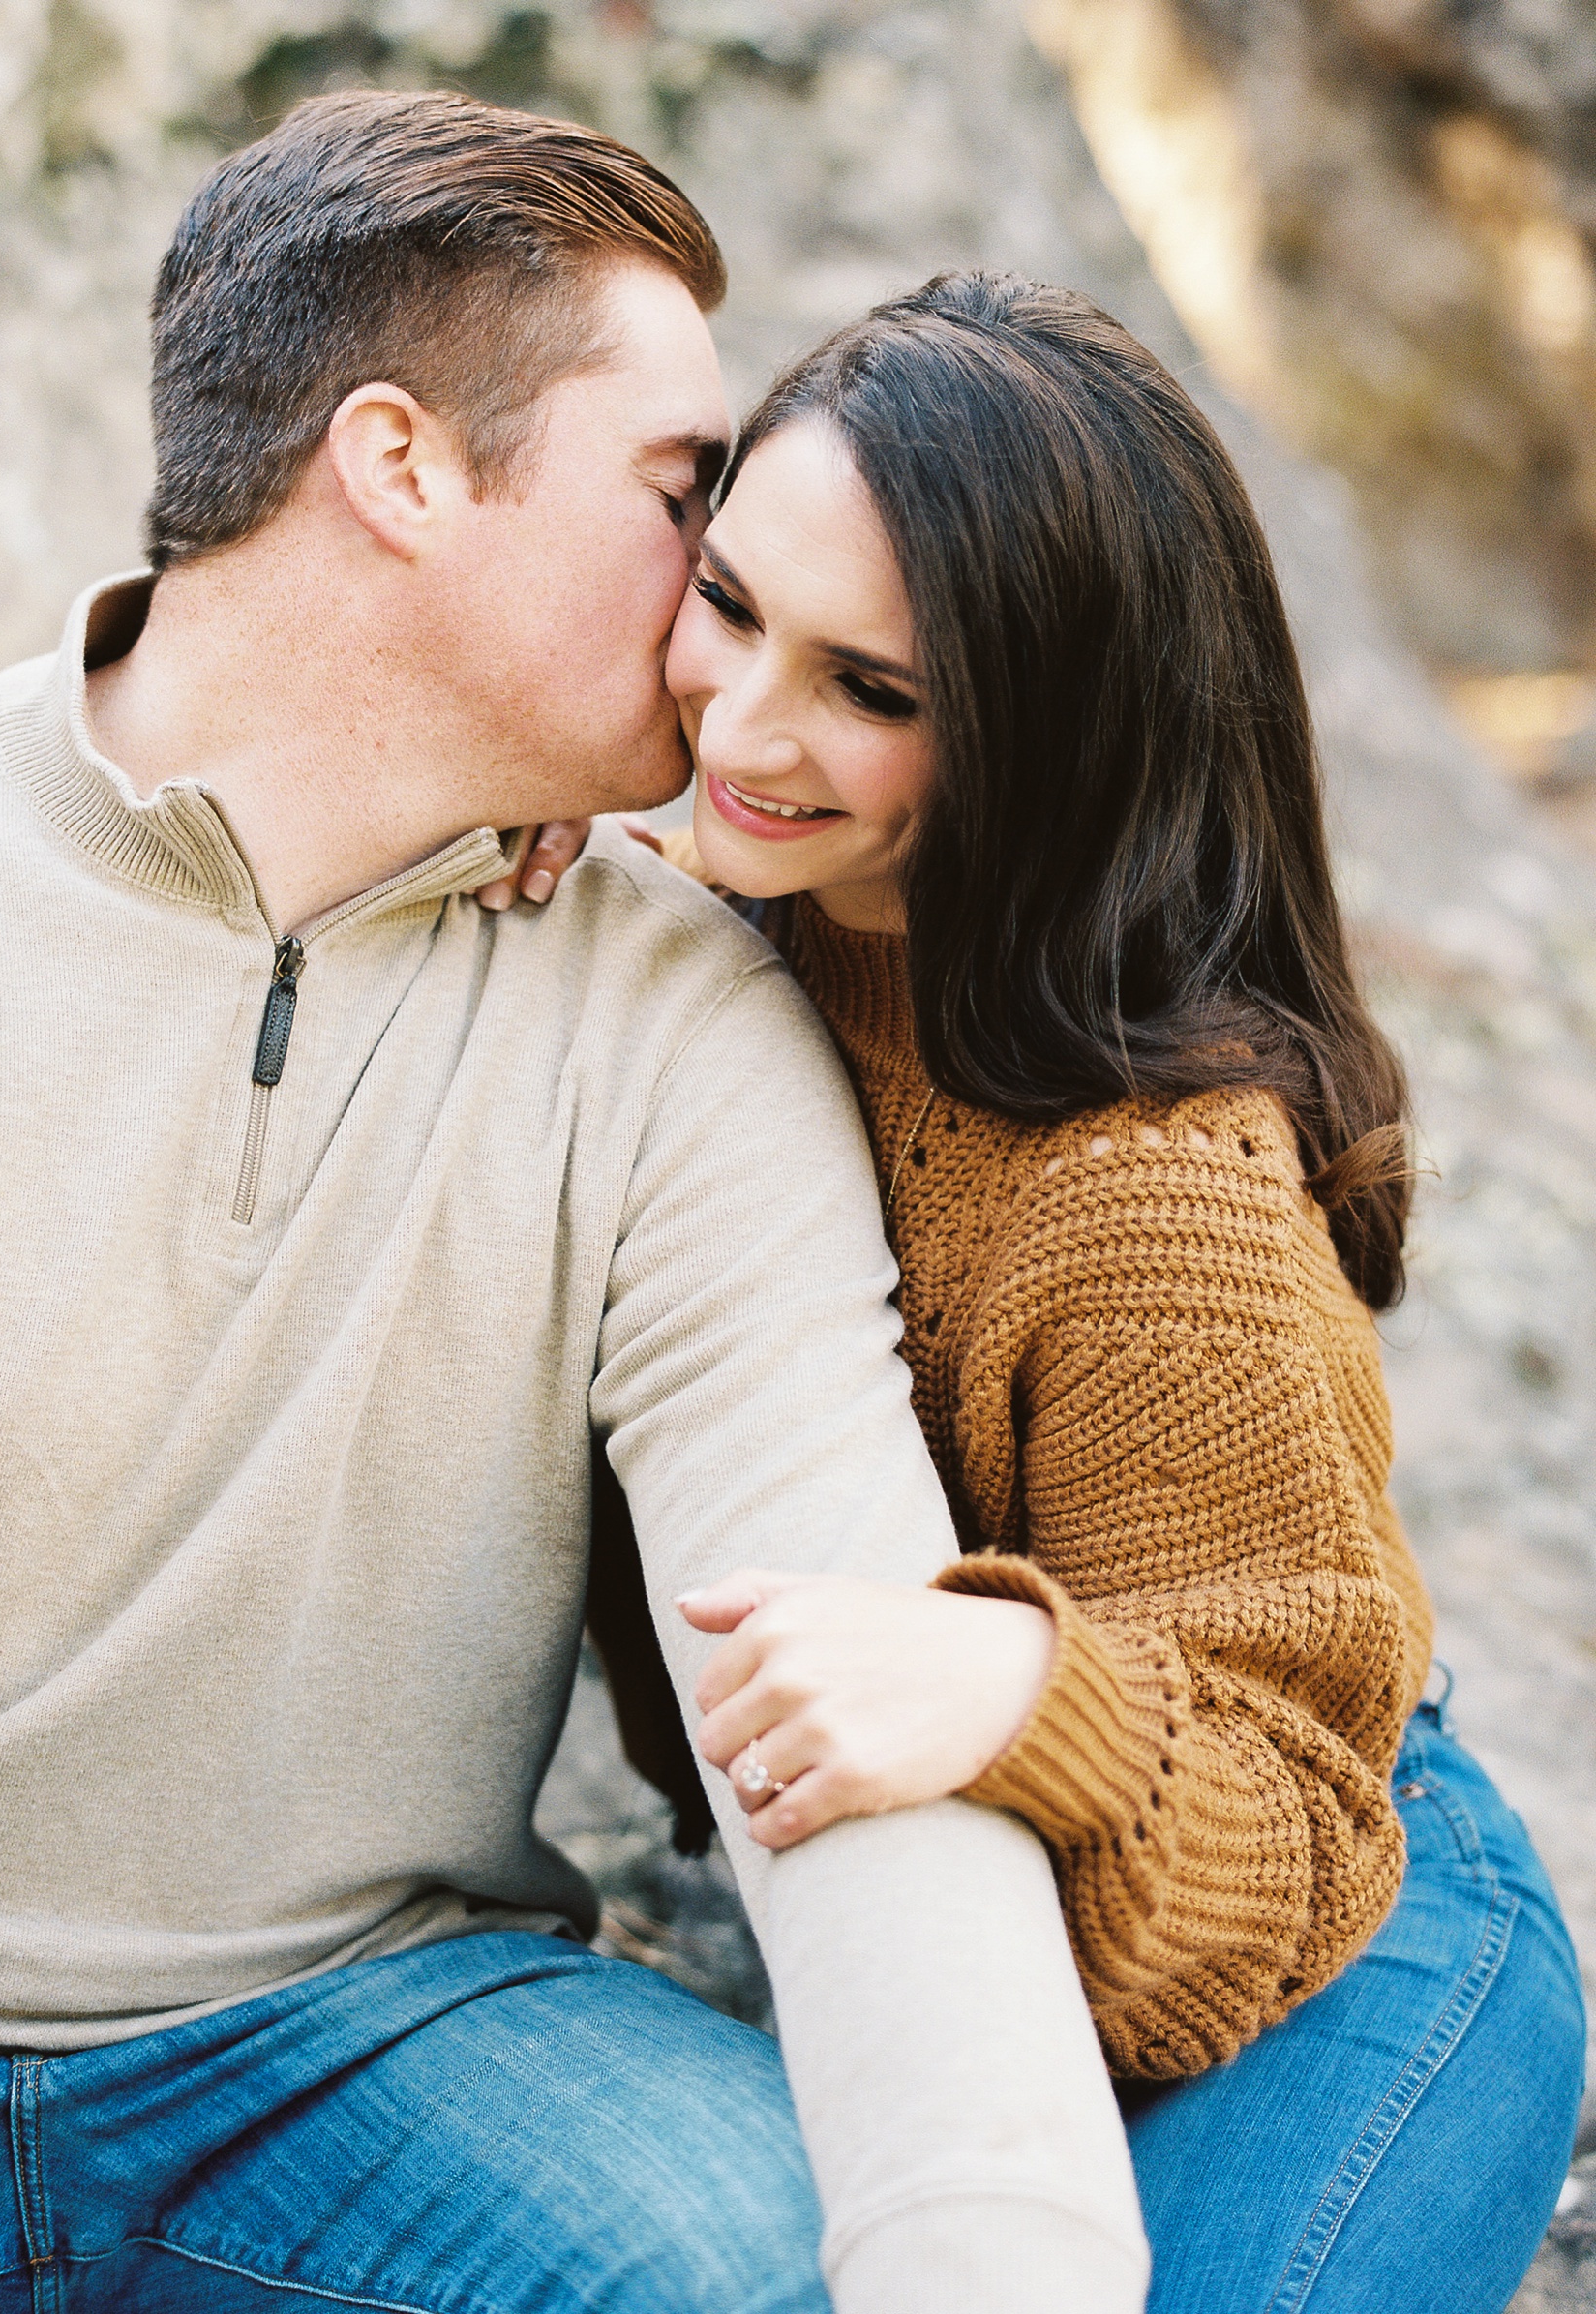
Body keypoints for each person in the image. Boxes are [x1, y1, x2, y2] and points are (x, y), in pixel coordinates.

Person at [0, 100, 1151, 2314]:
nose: (730, 582)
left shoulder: (675, 1023)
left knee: (767, 2274)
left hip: (364, 2039)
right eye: (679, 495)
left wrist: (993, 2256)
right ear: (404, 468)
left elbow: (820, 1666)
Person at [558, 271, 1588, 2312]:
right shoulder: (690, 922)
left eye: (877, 688)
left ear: (1039, 724)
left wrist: (1031, 1693)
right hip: (978, 1916)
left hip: (1332, 1919)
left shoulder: (1144, 1190)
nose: (747, 725)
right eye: (733, 601)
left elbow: (1303, 1803)